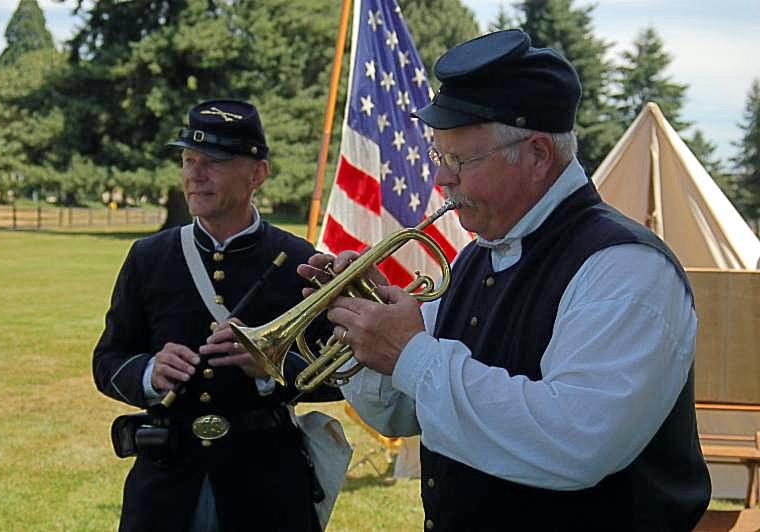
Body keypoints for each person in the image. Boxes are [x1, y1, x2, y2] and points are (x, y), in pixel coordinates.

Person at [299, 29, 711, 531]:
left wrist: (410, 352)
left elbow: (576, 441)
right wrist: (359, 326)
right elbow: (401, 413)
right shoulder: (478, 257)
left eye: (461, 160)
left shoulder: (626, 268)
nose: (441, 180)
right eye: (439, 156)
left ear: (538, 155)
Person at [93, 99, 340, 532]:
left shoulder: (302, 261)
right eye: (189, 160)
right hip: (167, 485)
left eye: (215, 161)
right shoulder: (149, 257)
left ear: (257, 174)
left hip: (266, 486)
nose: (194, 174)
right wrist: (150, 372)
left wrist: (272, 367)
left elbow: (338, 377)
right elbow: (108, 362)